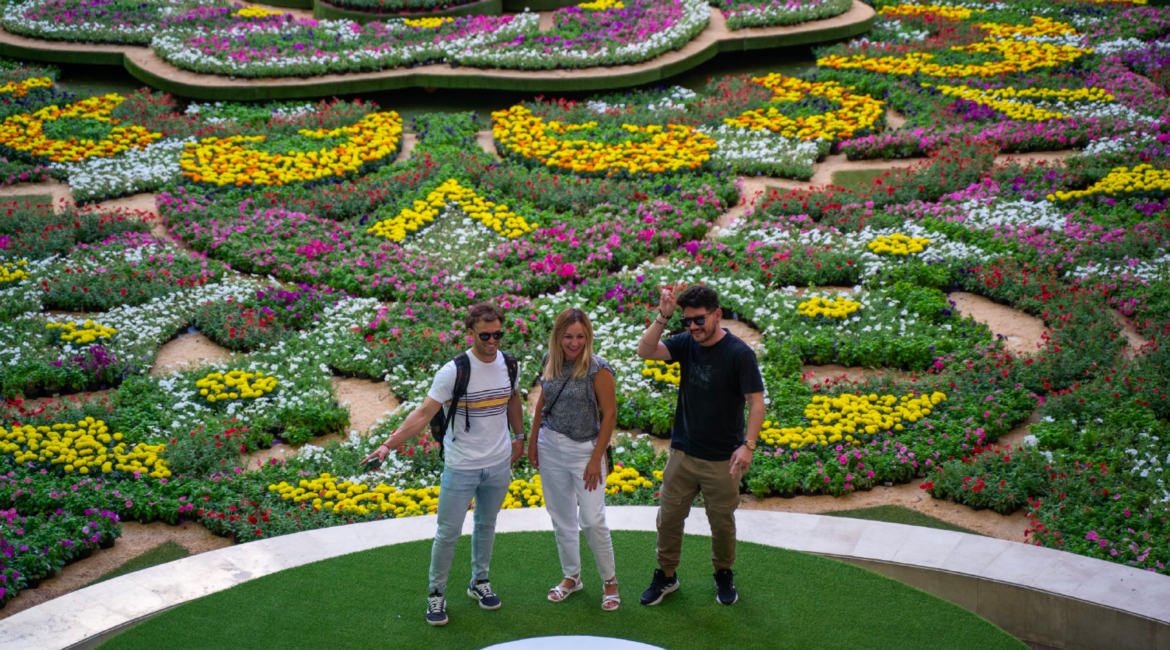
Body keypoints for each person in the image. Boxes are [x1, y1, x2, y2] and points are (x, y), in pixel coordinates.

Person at [361, 302, 526, 627]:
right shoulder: (453, 371)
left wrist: (519, 436)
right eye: (485, 335)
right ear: (470, 333)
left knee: (486, 525)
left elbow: (514, 398)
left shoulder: (509, 364)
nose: (492, 341)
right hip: (461, 466)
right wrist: (387, 445)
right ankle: (436, 594)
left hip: (498, 464)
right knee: (448, 533)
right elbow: (423, 414)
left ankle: (480, 582)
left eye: (497, 334)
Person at [635, 284, 765, 607]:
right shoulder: (686, 343)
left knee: (722, 523)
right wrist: (663, 318)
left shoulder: (739, 354)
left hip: (723, 459)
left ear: (717, 315)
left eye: (699, 320)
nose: (693, 327)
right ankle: (666, 576)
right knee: (668, 518)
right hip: (683, 452)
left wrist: (748, 446)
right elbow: (645, 351)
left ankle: (723, 573)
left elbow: (756, 403)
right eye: (687, 321)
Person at [528, 308, 621, 611]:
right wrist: (532, 441)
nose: (574, 342)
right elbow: (542, 402)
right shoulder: (549, 361)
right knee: (561, 517)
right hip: (550, 445)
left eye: (580, 336)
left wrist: (596, 459)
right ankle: (572, 576)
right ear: (558, 335)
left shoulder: (598, 369)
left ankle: (610, 581)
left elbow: (610, 416)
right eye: (568, 336)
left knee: (593, 519)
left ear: (588, 336)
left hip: (585, 451)